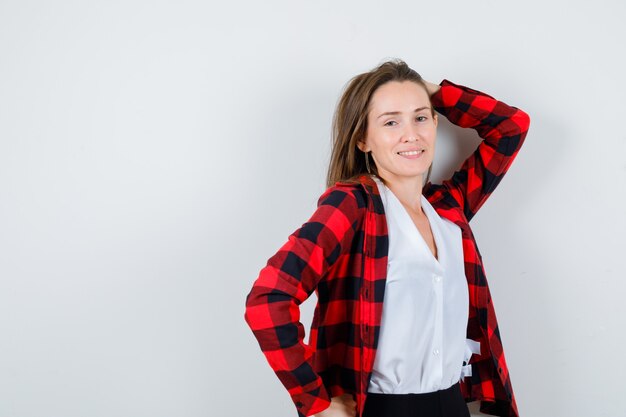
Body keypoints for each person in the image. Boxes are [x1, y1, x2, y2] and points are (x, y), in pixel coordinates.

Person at [244, 59, 530, 417]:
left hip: (454, 404)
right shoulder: (353, 205)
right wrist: (314, 403)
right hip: (383, 408)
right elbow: (268, 298)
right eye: (391, 121)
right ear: (363, 139)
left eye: (421, 117)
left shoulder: (448, 208)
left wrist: (435, 92)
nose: (411, 134)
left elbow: (511, 127)